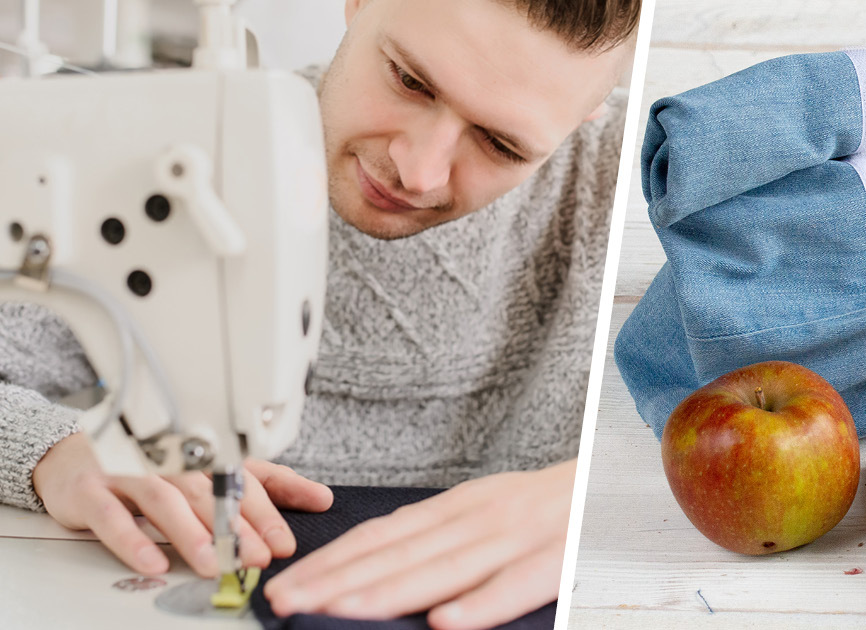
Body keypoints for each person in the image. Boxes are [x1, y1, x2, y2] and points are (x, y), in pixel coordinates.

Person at [0, 0, 638, 628]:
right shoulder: (172, 154)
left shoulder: (632, 192)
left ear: (586, 116)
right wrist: (49, 450)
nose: (418, 172)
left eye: (500, 144)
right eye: (410, 81)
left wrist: (575, 497)